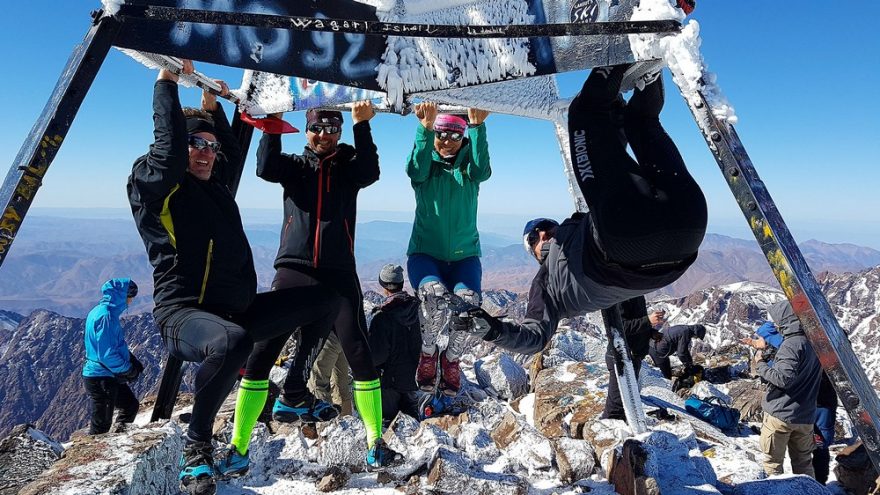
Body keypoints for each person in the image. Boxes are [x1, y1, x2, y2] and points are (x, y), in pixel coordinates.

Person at [127, 64, 342, 495]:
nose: (205, 153)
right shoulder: (155, 186)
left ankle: (295, 390)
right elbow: (168, 153)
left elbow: (228, 152)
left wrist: (214, 111)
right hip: (185, 315)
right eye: (195, 144)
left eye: (208, 146)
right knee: (232, 343)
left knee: (327, 300)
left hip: (237, 310)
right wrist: (166, 83)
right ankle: (197, 448)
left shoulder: (214, 183)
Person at [446, 64, 707, 364]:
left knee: (640, 122)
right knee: (584, 113)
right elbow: (535, 337)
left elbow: (607, 171)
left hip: (679, 239)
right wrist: (491, 330)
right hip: (674, 232)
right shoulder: (546, 284)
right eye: (534, 236)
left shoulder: (588, 225)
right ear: (534, 253)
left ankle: (647, 61)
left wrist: (611, 125)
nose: (543, 233)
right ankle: (619, 55)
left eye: (545, 228)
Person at [244, 102, 399, 469]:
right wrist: (270, 129)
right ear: (307, 129)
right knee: (264, 349)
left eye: (332, 130)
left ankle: (376, 441)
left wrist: (363, 126)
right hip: (294, 267)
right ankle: (238, 446)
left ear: (340, 133)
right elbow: (265, 168)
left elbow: (370, 171)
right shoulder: (296, 167)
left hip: (338, 271)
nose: (324, 136)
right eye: (317, 129)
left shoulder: (347, 169)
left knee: (358, 351)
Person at [407, 102, 491, 397]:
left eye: (456, 135)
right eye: (442, 134)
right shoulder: (425, 167)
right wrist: (424, 129)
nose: (447, 141)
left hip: (464, 257)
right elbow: (414, 169)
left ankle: (451, 360)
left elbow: (483, 170)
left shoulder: (469, 170)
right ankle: (428, 353)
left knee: (469, 305)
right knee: (432, 298)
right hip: (425, 254)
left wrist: (478, 128)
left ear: (463, 138)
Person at [753, 300, 821, 478]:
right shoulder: (815, 342)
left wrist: (759, 363)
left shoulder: (792, 344)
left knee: (773, 465)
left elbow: (782, 379)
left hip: (781, 414)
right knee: (804, 464)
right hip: (805, 416)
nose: (775, 324)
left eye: (777, 321)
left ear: (786, 320)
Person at [82, 278, 142, 435]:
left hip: (104, 374)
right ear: (122, 295)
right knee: (101, 425)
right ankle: (93, 456)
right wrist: (128, 368)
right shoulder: (106, 316)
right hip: (101, 377)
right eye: (131, 296)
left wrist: (129, 358)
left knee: (130, 406)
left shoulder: (101, 311)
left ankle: (117, 440)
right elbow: (106, 354)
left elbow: (110, 345)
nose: (131, 301)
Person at [368, 264, 423, 426]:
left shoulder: (382, 317)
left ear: (384, 286)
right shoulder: (418, 309)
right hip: (414, 377)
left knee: (391, 426)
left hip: (390, 381)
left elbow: (377, 355)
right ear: (401, 283)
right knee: (413, 425)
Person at [602, 296, 666, 420]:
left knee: (627, 403)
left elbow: (634, 322)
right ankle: (607, 435)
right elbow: (618, 328)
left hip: (633, 357)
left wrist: (651, 332)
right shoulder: (619, 295)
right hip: (620, 357)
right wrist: (647, 320)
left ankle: (621, 432)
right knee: (616, 405)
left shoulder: (635, 293)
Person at [308, 332, 353, 416]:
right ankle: (345, 420)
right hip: (343, 334)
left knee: (318, 383)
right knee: (341, 384)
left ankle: (322, 423)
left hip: (324, 335)